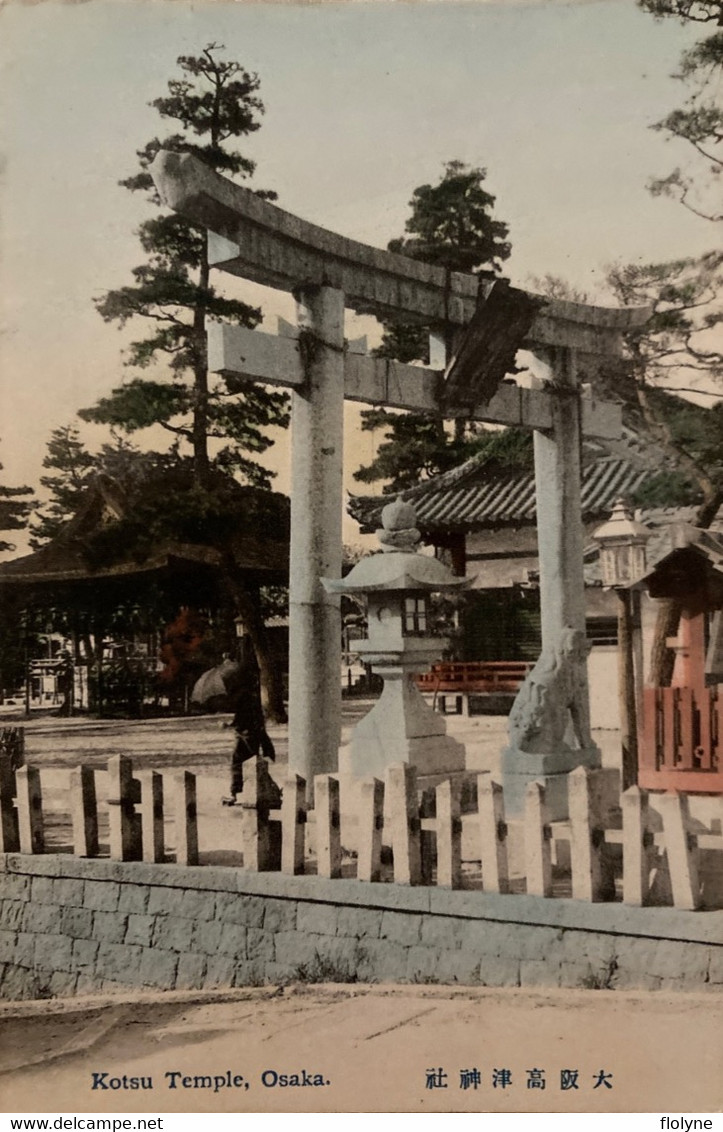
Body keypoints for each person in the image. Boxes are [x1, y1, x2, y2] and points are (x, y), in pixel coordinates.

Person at [222, 674, 275, 805]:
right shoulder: (248, 695)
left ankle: (273, 790)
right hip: (246, 733)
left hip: (248, 734)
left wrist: (228, 724)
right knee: (241, 761)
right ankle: (235, 792)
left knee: (250, 762)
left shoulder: (243, 695)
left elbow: (242, 717)